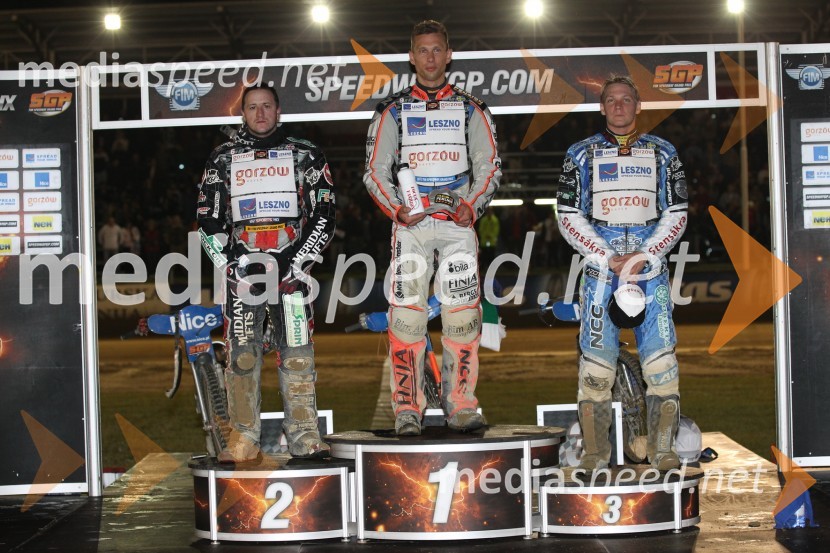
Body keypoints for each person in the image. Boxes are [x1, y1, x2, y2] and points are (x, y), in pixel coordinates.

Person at [364, 20, 501, 436]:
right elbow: (374, 171)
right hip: (412, 225)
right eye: (422, 50)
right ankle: (408, 408)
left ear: (448, 53)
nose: (430, 58)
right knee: (406, 320)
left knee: (463, 320)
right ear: (411, 56)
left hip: (457, 222)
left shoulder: (470, 107)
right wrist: (396, 209)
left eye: (437, 49)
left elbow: (489, 166)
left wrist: (471, 207)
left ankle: (460, 403)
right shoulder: (393, 109)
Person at [197, 84, 335, 461]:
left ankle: (305, 435)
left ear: (278, 111)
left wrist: (298, 261)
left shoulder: (306, 154)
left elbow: (325, 215)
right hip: (244, 275)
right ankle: (243, 438)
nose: (260, 114)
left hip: (292, 274)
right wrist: (230, 265)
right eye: (252, 107)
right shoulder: (222, 158)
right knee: (241, 357)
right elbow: (207, 221)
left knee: (298, 356)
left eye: (266, 107)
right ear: (242, 113)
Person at [556, 75, 688, 470]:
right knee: (596, 368)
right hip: (600, 273)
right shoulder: (580, 153)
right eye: (610, 100)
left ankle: (663, 452)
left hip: (650, 275)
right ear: (601, 107)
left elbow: (677, 214)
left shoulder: (664, 152)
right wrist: (605, 256)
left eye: (626, 99)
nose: (618, 106)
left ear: (638, 105)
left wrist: (647, 255)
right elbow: (567, 215)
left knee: (661, 366)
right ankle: (596, 457)